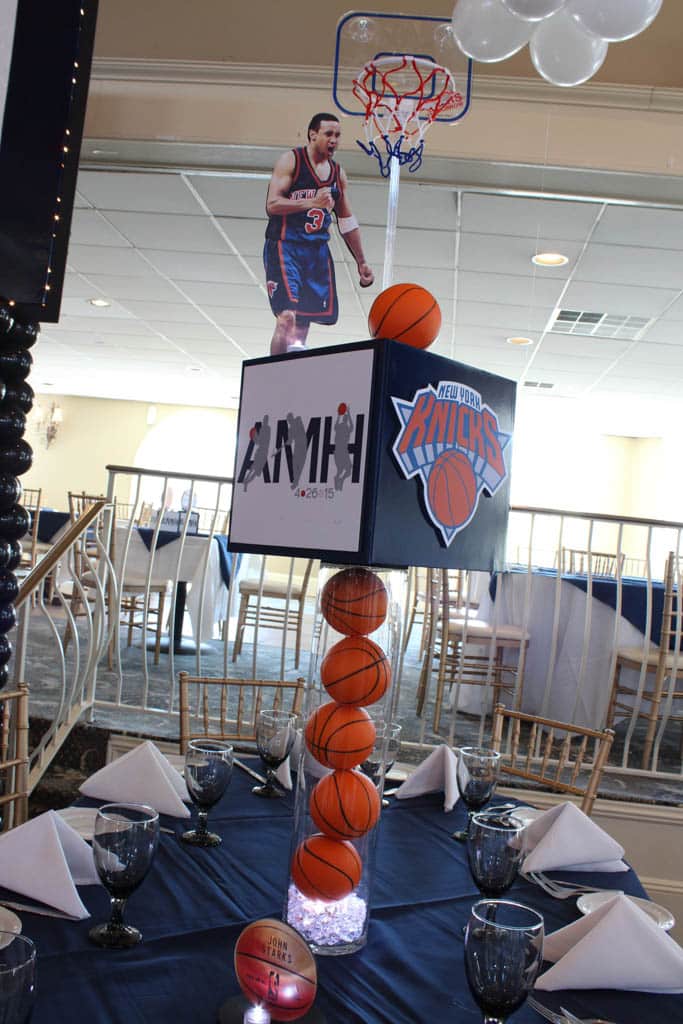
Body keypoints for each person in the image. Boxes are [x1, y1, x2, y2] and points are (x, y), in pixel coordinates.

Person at [264, 112, 374, 356]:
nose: (334, 140)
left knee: (303, 323)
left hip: (316, 253)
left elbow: (346, 220)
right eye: (328, 134)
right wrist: (311, 202)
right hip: (285, 246)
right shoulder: (291, 161)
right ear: (313, 135)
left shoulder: (337, 174)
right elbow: (272, 204)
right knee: (286, 318)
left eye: (338, 135)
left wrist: (361, 261)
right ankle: (273, 371)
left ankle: (293, 369)